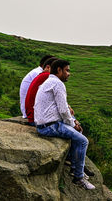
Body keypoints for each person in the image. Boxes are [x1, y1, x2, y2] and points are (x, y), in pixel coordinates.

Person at [34, 59, 95, 190]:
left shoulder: (48, 82)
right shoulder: (57, 84)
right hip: (50, 126)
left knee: (75, 129)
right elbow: (63, 110)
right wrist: (73, 124)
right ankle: (78, 177)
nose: (69, 73)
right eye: (67, 70)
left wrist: (73, 122)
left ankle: (75, 167)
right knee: (83, 141)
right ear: (59, 70)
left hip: (44, 124)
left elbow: (63, 109)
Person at [24, 57, 58, 125]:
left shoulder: (41, 76)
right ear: (48, 67)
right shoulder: (48, 76)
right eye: (56, 70)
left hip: (32, 116)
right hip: (36, 119)